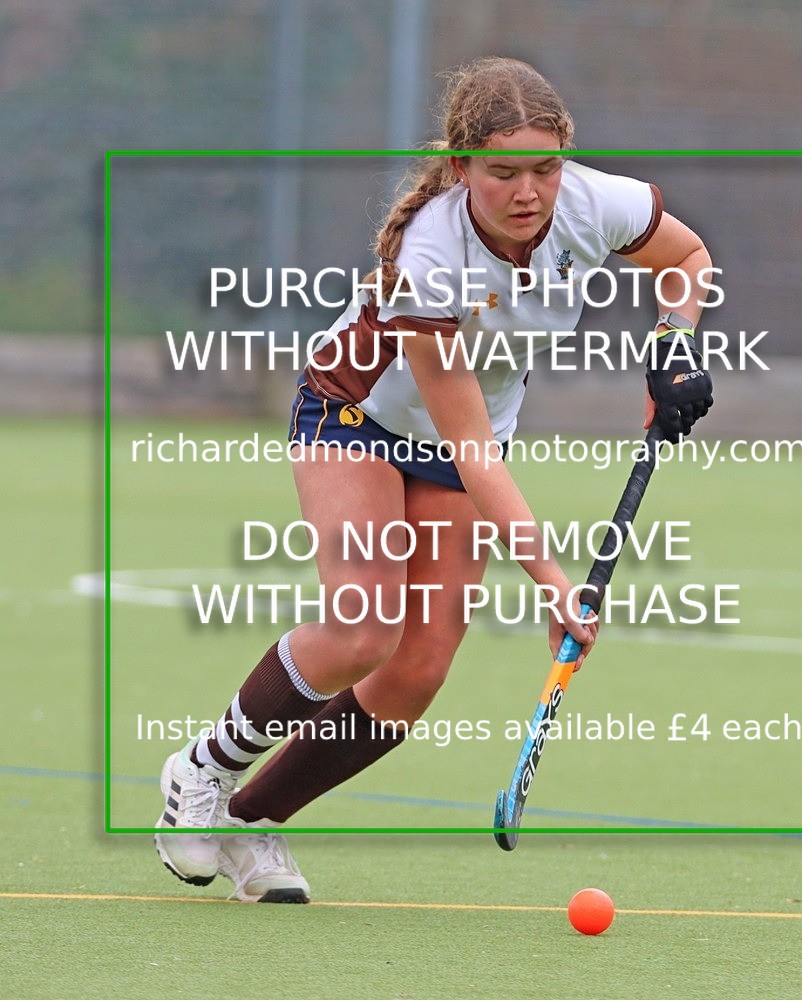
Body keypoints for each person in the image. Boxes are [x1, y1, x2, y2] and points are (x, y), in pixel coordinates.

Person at [154, 55, 714, 903]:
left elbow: (687, 258)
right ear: (461, 168)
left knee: (416, 670)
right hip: (357, 414)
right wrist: (552, 580)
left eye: (545, 167)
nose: (530, 191)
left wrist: (673, 343)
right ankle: (199, 771)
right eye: (503, 172)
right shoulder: (430, 257)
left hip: (461, 439)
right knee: (362, 629)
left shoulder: (598, 203)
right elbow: (473, 450)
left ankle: (248, 823)